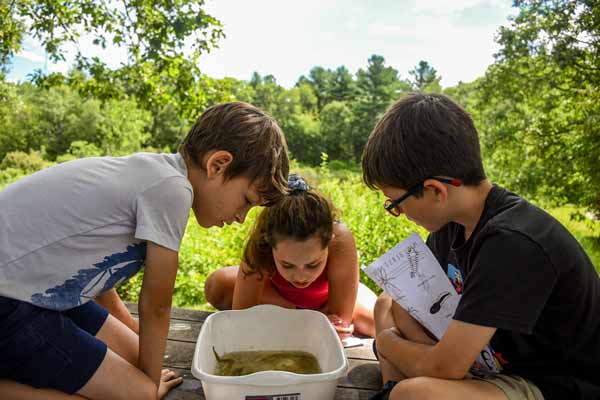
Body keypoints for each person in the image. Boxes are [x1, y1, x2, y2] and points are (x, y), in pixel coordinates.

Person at [0, 101, 289, 399]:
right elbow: (156, 304)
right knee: (138, 395)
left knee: (135, 360)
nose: (241, 217)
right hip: (9, 303)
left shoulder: (154, 173)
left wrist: (135, 346)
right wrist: (146, 389)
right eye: (246, 200)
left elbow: (94, 273)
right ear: (217, 165)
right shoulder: (172, 190)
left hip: (38, 292)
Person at [360, 92, 600, 400]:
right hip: (487, 362)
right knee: (386, 305)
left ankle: (395, 392)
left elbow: (446, 368)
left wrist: (388, 344)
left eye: (396, 203)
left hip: (550, 382)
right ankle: (391, 391)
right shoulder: (451, 226)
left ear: (435, 190)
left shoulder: (513, 243)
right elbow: (411, 307)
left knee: (415, 394)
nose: (399, 213)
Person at [205, 174, 377, 339]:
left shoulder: (340, 240)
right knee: (216, 286)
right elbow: (241, 318)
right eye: (287, 265)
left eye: (313, 264)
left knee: (377, 325)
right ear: (269, 243)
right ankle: (303, 314)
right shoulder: (260, 242)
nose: (301, 276)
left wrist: (336, 325)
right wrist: (316, 323)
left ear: (328, 242)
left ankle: (297, 315)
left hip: (326, 299)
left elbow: (340, 319)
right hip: (280, 297)